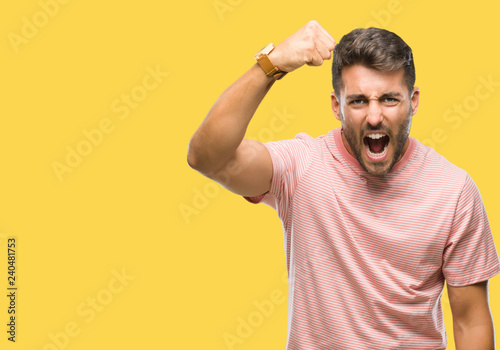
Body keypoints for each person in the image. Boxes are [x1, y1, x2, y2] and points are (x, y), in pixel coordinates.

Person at [187, 20, 500, 349]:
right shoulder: (300, 167)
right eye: (359, 101)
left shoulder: (454, 190)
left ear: (414, 101)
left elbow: (470, 321)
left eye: (390, 99)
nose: (375, 116)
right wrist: (272, 63)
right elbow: (208, 157)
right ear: (337, 106)